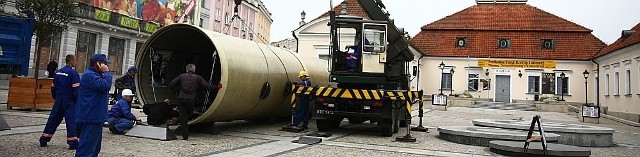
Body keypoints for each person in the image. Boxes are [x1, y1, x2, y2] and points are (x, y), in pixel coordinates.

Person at [169, 64, 220, 140]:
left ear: (186, 70)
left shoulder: (181, 76)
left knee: (183, 117)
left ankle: (185, 136)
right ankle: (185, 128)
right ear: (194, 70)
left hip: (181, 98)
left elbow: (171, 84)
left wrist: (177, 93)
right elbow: (207, 87)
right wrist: (217, 86)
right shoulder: (197, 78)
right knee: (189, 114)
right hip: (190, 99)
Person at [39, 55, 80, 149]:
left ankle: (44, 139)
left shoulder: (58, 72)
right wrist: (78, 101)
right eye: (75, 61)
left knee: (53, 120)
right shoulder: (73, 73)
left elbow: (53, 86)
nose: (76, 63)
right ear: (72, 61)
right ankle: (72, 142)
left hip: (59, 100)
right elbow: (76, 89)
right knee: (71, 121)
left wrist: (55, 97)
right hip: (69, 101)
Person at [75, 54, 112, 157]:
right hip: (91, 116)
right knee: (87, 148)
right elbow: (105, 86)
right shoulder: (90, 75)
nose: (107, 66)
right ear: (98, 64)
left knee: (94, 147)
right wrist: (107, 72)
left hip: (95, 116)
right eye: (105, 64)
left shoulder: (95, 75)